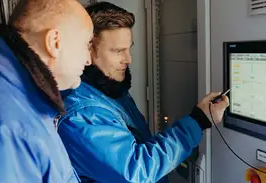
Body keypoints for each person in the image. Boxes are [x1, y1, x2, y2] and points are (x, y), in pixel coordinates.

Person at [58, 2, 229, 183]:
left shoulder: (110, 90)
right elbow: (136, 171)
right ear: (88, 50)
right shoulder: (82, 113)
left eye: (129, 48)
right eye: (118, 51)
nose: (128, 59)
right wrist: (198, 121)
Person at [0, 0, 93, 182]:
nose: (88, 59)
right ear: (54, 42)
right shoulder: (12, 127)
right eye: (85, 44)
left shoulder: (26, 99)